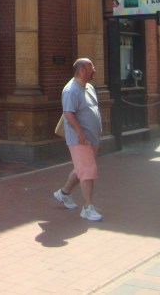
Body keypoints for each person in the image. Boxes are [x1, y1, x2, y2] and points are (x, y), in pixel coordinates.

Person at [53, 57, 103, 221]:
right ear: (82, 70)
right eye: (91, 67)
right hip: (80, 139)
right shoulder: (71, 90)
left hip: (91, 137)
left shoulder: (89, 87)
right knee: (88, 171)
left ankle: (64, 193)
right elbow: (68, 113)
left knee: (82, 168)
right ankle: (87, 208)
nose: (94, 70)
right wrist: (80, 133)